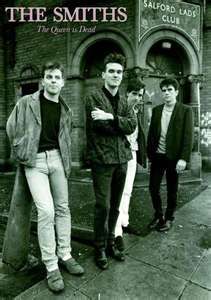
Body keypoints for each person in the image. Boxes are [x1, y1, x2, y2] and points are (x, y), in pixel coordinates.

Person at [6, 61, 84, 293]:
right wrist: (22, 148)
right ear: (43, 81)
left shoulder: (64, 107)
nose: (52, 80)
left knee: (63, 208)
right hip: (35, 162)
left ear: (62, 82)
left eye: (56, 77)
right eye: (48, 76)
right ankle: (51, 266)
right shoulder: (27, 102)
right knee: (46, 211)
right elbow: (11, 126)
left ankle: (66, 255)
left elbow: (66, 133)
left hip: (58, 159)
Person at [86, 53, 136, 270]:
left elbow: (132, 125)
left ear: (122, 76)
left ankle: (109, 243)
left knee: (116, 205)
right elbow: (99, 126)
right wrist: (117, 124)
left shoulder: (124, 101)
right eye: (112, 71)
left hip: (122, 159)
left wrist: (111, 117)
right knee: (103, 206)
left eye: (119, 72)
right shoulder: (93, 97)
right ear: (104, 74)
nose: (116, 75)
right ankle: (98, 247)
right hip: (102, 160)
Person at [147, 77, 194, 232]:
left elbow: (188, 136)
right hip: (158, 156)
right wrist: (149, 155)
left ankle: (169, 218)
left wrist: (184, 158)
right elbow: (152, 134)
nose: (166, 93)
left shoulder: (185, 110)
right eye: (164, 90)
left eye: (170, 90)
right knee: (153, 187)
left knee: (172, 189)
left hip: (175, 158)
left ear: (176, 92)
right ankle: (158, 215)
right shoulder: (156, 110)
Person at [115, 78, 147, 252]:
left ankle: (124, 221)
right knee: (119, 192)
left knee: (128, 190)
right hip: (121, 155)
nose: (137, 98)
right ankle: (116, 232)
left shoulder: (136, 111)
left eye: (140, 95)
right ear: (127, 93)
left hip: (132, 154)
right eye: (134, 94)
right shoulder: (119, 109)